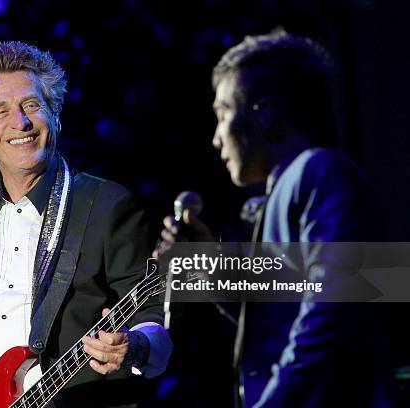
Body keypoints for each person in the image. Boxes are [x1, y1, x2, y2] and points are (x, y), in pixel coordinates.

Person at [0, 41, 172, 407]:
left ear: (56, 114)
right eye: (0, 111)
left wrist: (135, 346)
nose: (19, 122)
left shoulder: (109, 205)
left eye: (32, 106)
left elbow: (153, 313)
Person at [156, 31, 393, 407]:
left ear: (263, 113)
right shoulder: (286, 191)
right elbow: (272, 321)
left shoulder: (320, 171)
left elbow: (329, 312)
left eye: (222, 114)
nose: (217, 139)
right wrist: (205, 267)